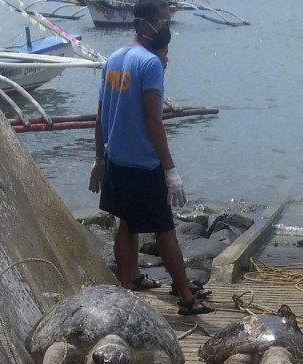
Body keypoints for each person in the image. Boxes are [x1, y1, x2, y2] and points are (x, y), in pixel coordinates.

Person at [88, 0, 214, 315]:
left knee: (127, 223)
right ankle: (186, 298)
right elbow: (153, 120)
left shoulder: (113, 60)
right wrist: (169, 169)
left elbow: (100, 116)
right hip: (144, 165)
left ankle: (128, 283)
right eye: (162, 22)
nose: (166, 28)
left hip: (118, 162)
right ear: (144, 25)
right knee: (164, 230)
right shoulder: (150, 64)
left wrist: (100, 159)